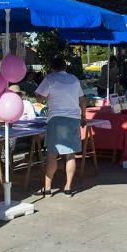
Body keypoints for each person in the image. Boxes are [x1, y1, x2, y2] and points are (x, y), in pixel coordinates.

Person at [35, 56, 86, 197]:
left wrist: (43, 98)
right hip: (74, 118)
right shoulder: (74, 79)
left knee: (52, 154)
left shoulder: (50, 78)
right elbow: (82, 100)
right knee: (70, 154)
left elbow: (39, 96)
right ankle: (68, 187)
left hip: (56, 119)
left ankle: (47, 188)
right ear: (65, 66)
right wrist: (84, 116)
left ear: (52, 67)